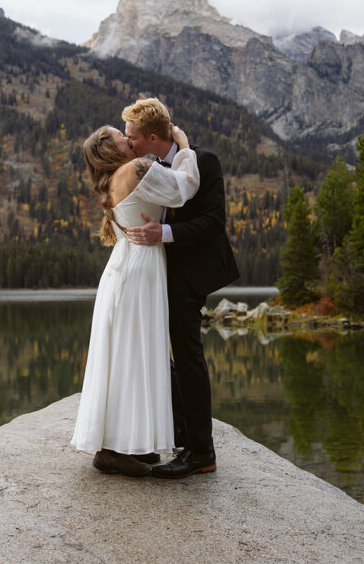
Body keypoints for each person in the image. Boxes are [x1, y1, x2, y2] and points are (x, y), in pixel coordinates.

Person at [70, 121, 200, 477]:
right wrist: (183, 145)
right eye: (121, 137)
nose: (129, 140)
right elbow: (183, 188)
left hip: (123, 269)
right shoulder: (137, 168)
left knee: (125, 356)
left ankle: (123, 445)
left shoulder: (113, 178)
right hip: (138, 270)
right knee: (134, 356)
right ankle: (114, 450)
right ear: (112, 150)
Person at [123, 98, 240, 479]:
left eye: (133, 138)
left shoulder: (204, 161)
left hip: (191, 274)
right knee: (162, 351)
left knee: (187, 352)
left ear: (153, 137)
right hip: (161, 273)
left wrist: (165, 233)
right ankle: (181, 432)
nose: (129, 144)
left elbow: (214, 222)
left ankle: (201, 452)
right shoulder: (147, 165)